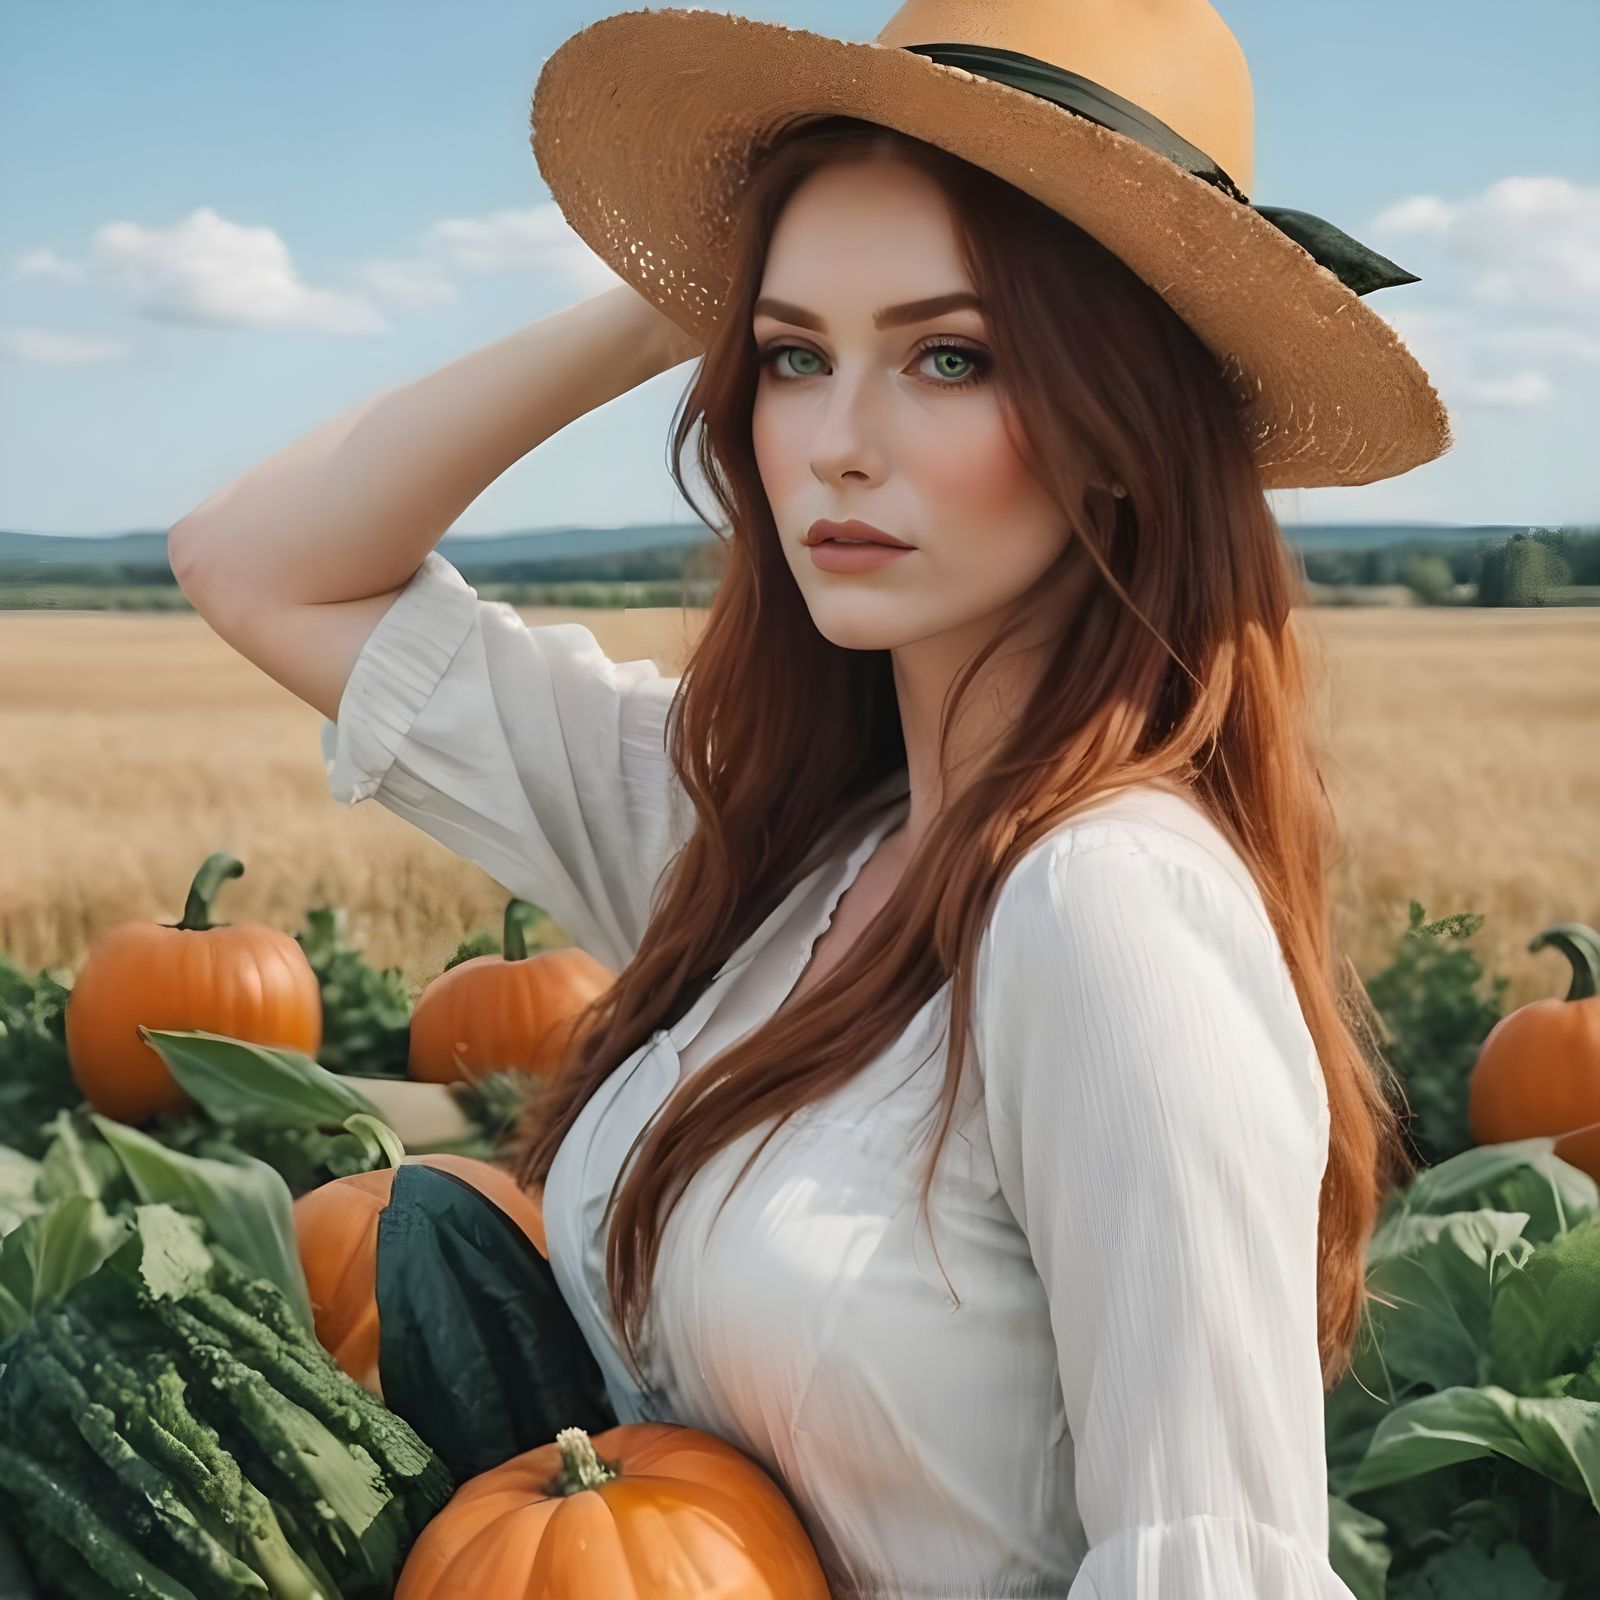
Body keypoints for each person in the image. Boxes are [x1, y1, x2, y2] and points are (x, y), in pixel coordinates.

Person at [170, 3, 1450, 1595]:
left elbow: (1212, 1569)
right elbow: (255, 563)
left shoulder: (1102, 911)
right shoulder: (760, 850)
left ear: (1124, 430)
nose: (835, 446)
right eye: (791, 357)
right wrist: (675, 297)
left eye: (950, 356)